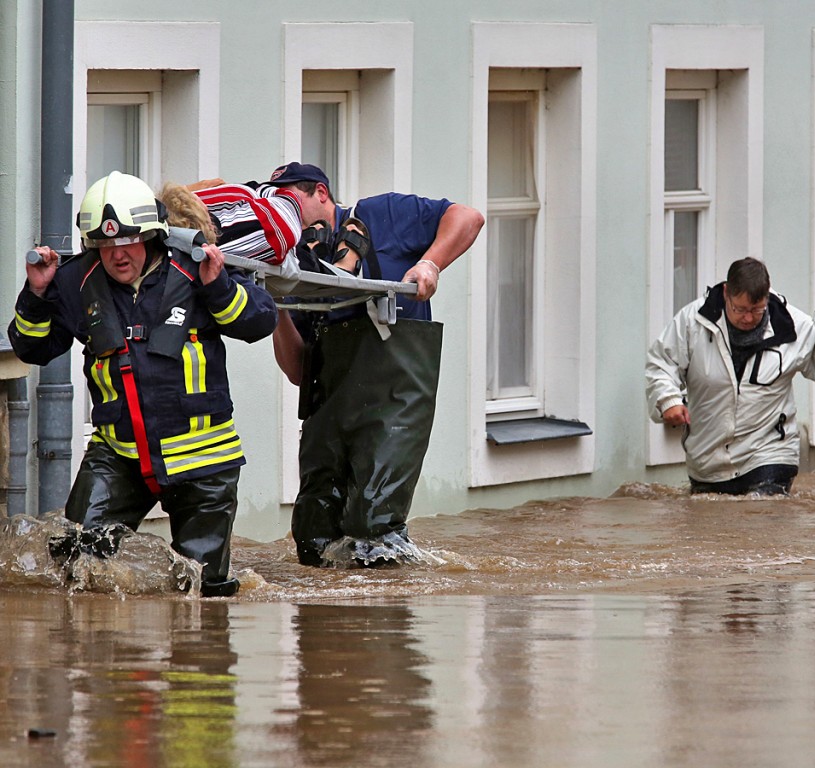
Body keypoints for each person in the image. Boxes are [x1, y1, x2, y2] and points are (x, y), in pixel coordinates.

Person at [7, 171, 279, 596]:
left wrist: (219, 287)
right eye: (105, 246)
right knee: (77, 564)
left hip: (203, 462)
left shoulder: (194, 268)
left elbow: (259, 321)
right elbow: (31, 348)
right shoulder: (75, 282)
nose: (117, 255)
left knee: (202, 593)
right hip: (119, 457)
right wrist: (35, 295)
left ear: (152, 235)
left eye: (127, 242)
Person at [265, 162, 484, 566]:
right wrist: (275, 305)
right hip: (328, 407)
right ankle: (320, 627)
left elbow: (468, 217)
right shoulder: (297, 263)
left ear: (321, 194)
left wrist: (430, 263)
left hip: (394, 401)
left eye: (292, 203)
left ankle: (385, 617)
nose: (286, 217)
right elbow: (298, 371)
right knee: (313, 533)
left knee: (372, 531)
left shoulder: (382, 215)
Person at [646, 257, 815, 495]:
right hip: (708, 459)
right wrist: (668, 400)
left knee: (761, 520)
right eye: (740, 309)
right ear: (726, 293)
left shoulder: (789, 323)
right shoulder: (693, 322)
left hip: (770, 452)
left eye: (756, 310)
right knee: (710, 528)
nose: (748, 318)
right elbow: (662, 363)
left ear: (766, 297)